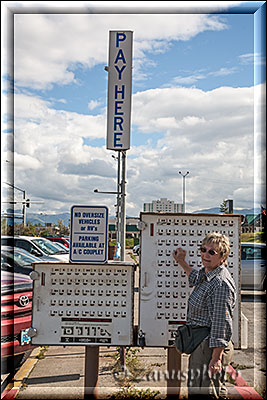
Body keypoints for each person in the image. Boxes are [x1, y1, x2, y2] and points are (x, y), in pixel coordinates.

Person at [172, 232, 236, 399]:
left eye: (212, 252)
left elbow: (221, 322)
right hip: (202, 345)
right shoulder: (208, 274)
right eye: (203, 249)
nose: (205, 255)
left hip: (209, 347)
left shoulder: (220, 283)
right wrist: (181, 261)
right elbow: (195, 277)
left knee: (207, 392)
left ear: (222, 257)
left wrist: (216, 359)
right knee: (199, 390)